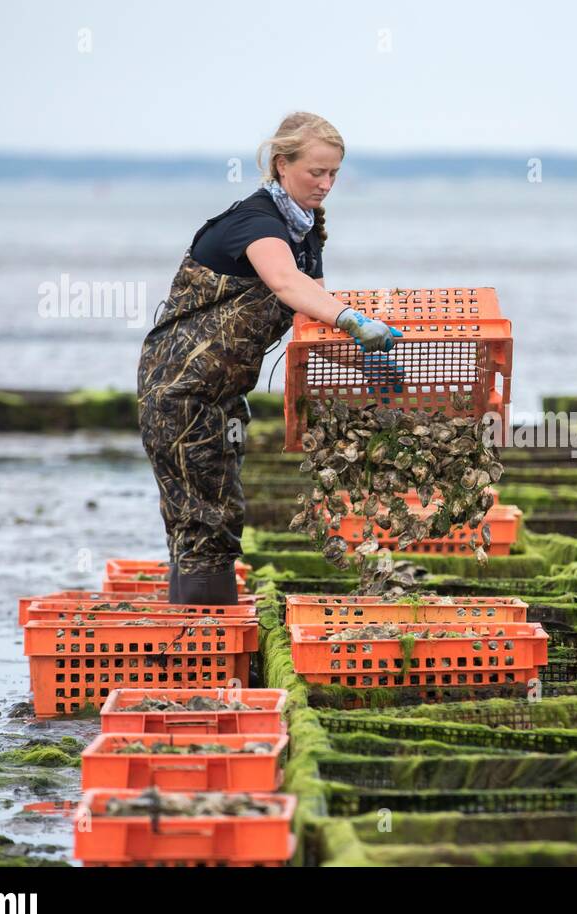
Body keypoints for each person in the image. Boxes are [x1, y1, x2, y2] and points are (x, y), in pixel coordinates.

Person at [136, 112, 400, 603]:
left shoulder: (307, 235)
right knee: (203, 518)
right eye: (315, 172)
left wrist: (371, 363)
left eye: (334, 174)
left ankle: (199, 635)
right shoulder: (256, 222)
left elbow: (309, 320)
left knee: (216, 513)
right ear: (282, 165)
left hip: (224, 395)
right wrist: (355, 321)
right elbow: (284, 282)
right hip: (179, 389)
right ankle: (202, 644)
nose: (326, 184)